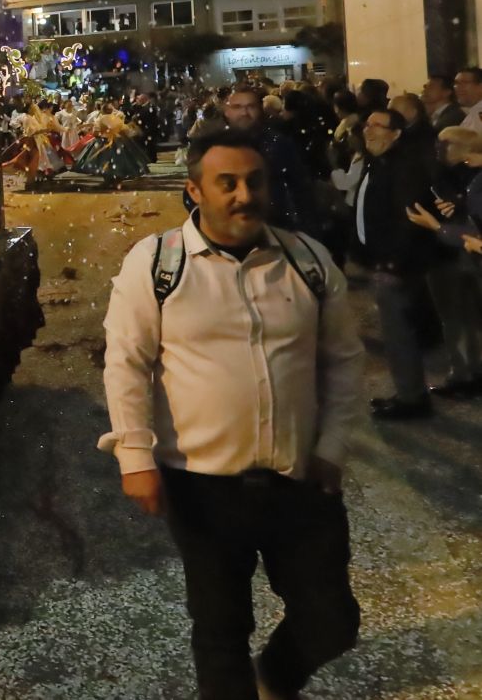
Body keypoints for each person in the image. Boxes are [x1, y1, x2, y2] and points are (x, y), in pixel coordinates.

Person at [102, 128, 362, 700]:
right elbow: (126, 363)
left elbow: (344, 361)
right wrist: (134, 456)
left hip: (299, 477)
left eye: (254, 181)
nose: (244, 195)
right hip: (201, 486)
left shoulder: (307, 260)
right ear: (195, 190)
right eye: (228, 184)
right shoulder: (158, 264)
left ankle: (273, 680)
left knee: (332, 620)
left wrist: (332, 447)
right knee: (221, 631)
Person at [352, 108, 439, 420]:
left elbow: (409, 220)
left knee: (400, 334)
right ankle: (407, 391)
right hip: (383, 261)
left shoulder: (403, 166)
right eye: (367, 124)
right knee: (395, 334)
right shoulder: (380, 160)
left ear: (397, 133)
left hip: (396, 266)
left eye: (378, 126)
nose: (369, 130)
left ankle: (412, 399)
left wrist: (393, 262)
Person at [407, 126, 482, 397]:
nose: (438, 147)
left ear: (465, 149)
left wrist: (436, 227)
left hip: (455, 255)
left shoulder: (456, 179)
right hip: (459, 256)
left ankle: (464, 375)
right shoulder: (462, 176)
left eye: (445, 143)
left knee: (457, 319)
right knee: (465, 319)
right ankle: (469, 371)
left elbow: (467, 227)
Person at [218, 87, 310, 230]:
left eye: (250, 107)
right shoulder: (214, 148)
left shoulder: (280, 143)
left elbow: (300, 188)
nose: (244, 113)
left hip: (278, 228)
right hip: (229, 230)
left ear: (260, 109)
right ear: (226, 111)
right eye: (237, 107)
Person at [73, 105, 150, 187]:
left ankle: (108, 179)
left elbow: (96, 131)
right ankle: (117, 179)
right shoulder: (117, 119)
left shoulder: (101, 118)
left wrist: (99, 134)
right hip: (118, 141)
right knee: (119, 160)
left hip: (103, 141)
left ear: (102, 110)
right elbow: (125, 129)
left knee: (104, 160)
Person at [455, 66, 482, 131]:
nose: (458, 87)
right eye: (456, 83)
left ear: (480, 86)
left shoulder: (479, 113)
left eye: (464, 83)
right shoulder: (472, 112)